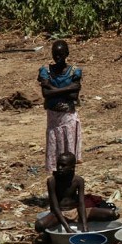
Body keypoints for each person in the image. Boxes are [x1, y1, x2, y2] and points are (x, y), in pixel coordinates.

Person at [35, 152, 118, 233]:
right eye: (58, 165)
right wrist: (67, 228)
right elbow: (55, 207)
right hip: (59, 213)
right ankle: (53, 232)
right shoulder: (52, 181)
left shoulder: (78, 180)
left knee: (111, 214)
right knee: (39, 225)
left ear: (72, 167)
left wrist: (85, 226)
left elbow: (81, 203)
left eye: (63, 165)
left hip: (76, 212)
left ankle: (85, 223)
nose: (60, 168)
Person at [38, 40, 83, 173]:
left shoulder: (74, 71)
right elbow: (46, 94)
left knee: (68, 157)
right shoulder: (45, 70)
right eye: (55, 54)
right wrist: (68, 88)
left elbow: (74, 96)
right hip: (53, 120)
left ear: (67, 54)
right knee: (55, 155)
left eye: (60, 54)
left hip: (68, 118)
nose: (57, 57)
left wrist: (53, 90)